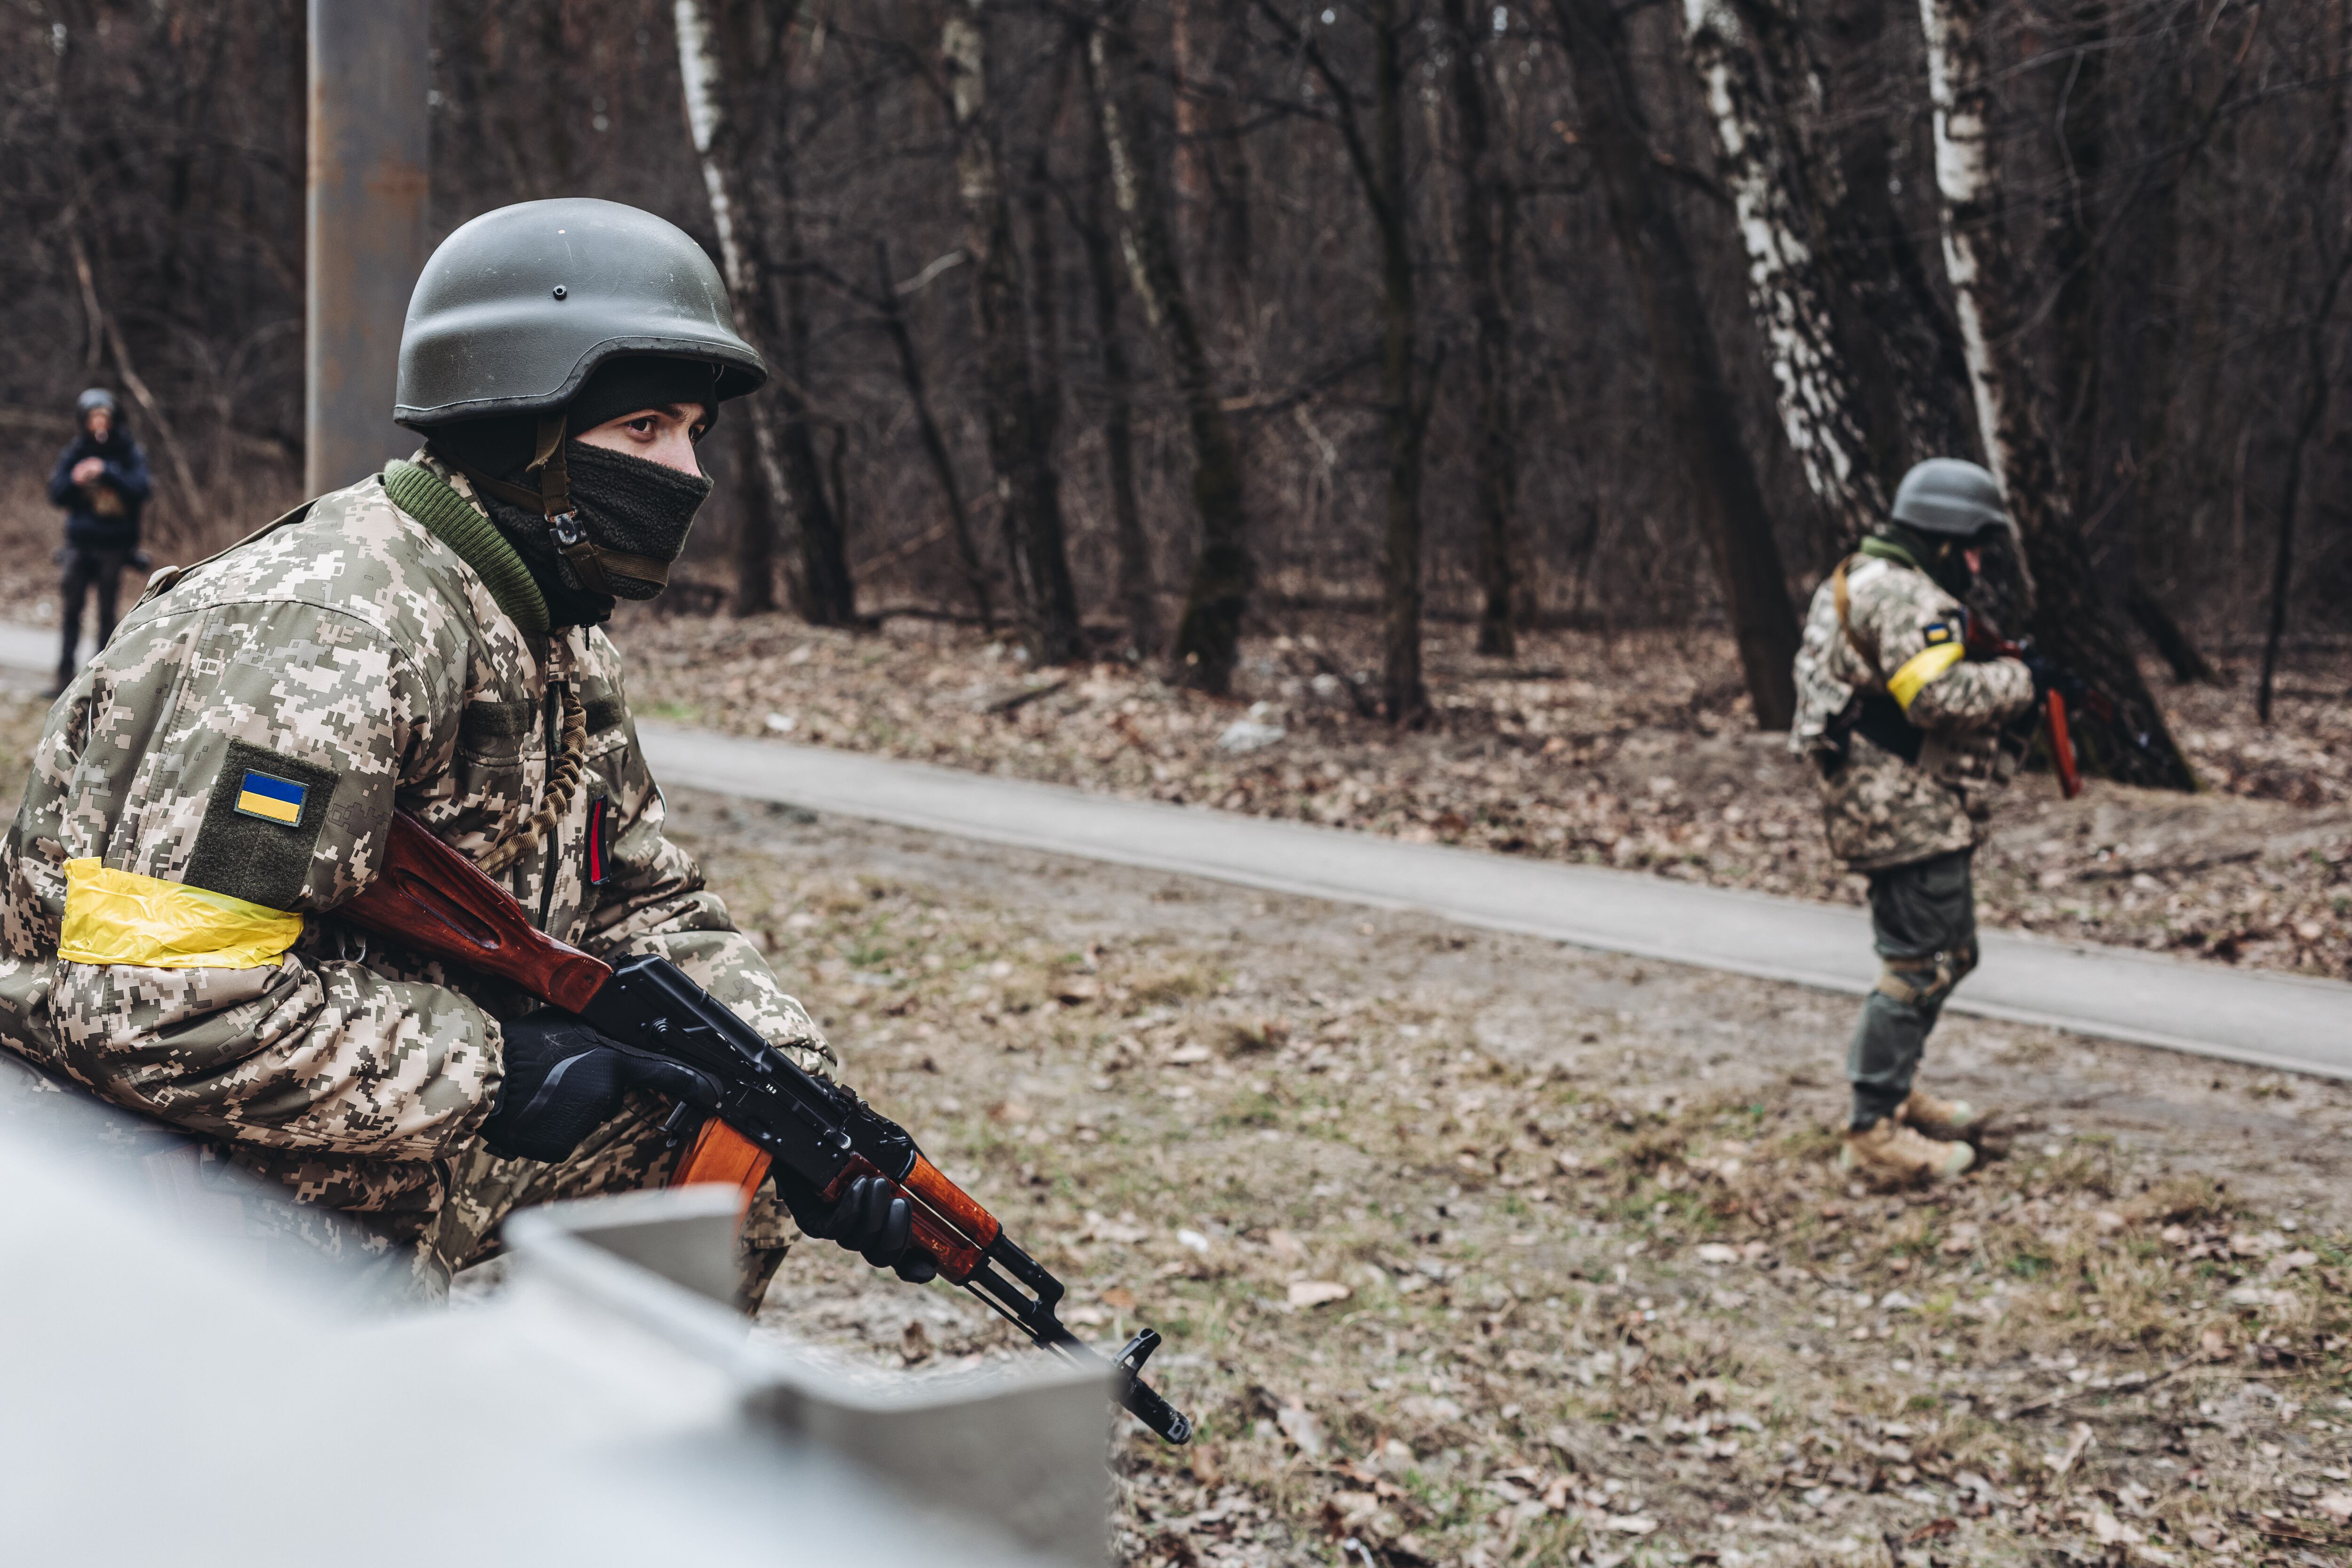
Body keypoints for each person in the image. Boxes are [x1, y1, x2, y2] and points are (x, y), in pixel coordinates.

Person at [0, 199, 923, 1304]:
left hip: (333, 1121)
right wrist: (499, 1067)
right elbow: (151, 998)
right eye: (644, 431)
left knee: (719, 1171)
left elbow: (650, 906)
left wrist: (805, 1106)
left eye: (692, 434)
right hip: (133, 1174)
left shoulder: (550, 633)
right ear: (518, 428)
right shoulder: (332, 634)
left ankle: (588, 1467)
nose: (685, 472)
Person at [1790, 458, 2043, 1186]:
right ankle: (1872, 1130)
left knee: (1949, 952)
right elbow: (1936, 697)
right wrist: (2028, 682)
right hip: (1900, 808)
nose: (1975, 563)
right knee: (1918, 963)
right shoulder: (1905, 594)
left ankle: (1895, 1097)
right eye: (1971, 547)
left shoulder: (1865, 577)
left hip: (1900, 803)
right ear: (1940, 538)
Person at [46, 387, 152, 692]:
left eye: (103, 416)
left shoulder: (127, 450)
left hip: (114, 544)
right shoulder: (76, 450)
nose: (98, 423)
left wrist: (107, 471)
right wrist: (76, 477)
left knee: (107, 614)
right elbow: (56, 493)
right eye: (93, 417)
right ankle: (63, 679)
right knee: (71, 610)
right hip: (79, 542)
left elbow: (141, 489)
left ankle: (99, 682)